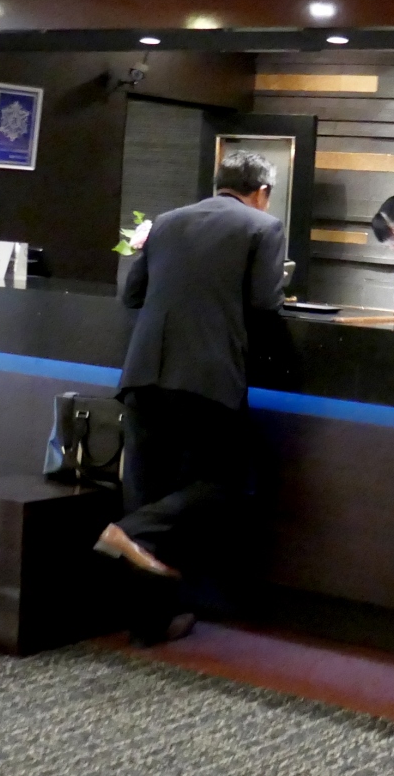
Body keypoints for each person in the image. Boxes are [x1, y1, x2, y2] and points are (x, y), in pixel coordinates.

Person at [96, 150, 286, 643]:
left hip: (143, 373)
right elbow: (264, 303)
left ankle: (149, 624)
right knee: (228, 481)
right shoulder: (263, 227)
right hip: (207, 377)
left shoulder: (167, 222)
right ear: (262, 192)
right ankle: (131, 531)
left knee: (147, 489)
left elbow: (131, 295)